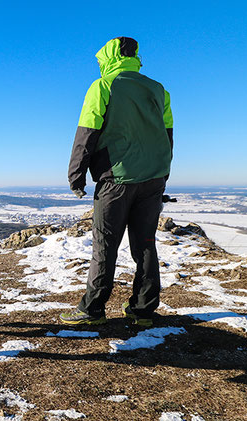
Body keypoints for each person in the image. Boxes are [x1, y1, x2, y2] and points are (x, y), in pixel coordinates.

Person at [59, 37, 173, 327]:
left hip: (117, 179)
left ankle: (92, 309)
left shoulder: (103, 86)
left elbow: (86, 133)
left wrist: (76, 176)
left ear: (107, 58)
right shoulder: (159, 90)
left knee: (105, 245)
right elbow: (167, 137)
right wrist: (162, 174)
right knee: (146, 243)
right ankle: (143, 309)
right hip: (154, 178)